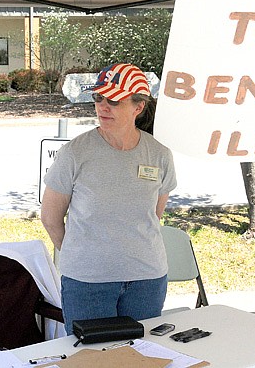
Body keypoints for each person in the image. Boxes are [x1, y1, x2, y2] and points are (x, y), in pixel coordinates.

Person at [41, 63, 177, 334]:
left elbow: (153, 216)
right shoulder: (75, 153)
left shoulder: (160, 155)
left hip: (147, 280)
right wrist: (83, 257)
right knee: (91, 359)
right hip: (87, 282)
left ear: (138, 107)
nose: (103, 107)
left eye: (114, 101)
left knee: (142, 355)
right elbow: (51, 218)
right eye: (98, 98)